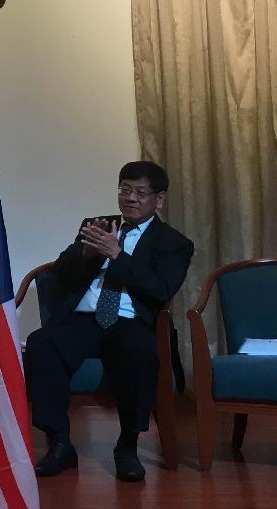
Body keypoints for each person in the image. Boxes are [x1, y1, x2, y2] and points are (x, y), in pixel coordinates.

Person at [23, 160, 194, 483]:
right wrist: (86, 255)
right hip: (84, 319)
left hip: (128, 322)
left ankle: (127, 446)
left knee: (140, 353)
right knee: (41, 343)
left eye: (140, 193)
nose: (130, 198)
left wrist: (117, 255)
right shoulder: (98, 225)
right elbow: (60, 276)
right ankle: (59, 443)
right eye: (125, 190)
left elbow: (160, 289)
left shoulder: (173, 243)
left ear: (159, 199)